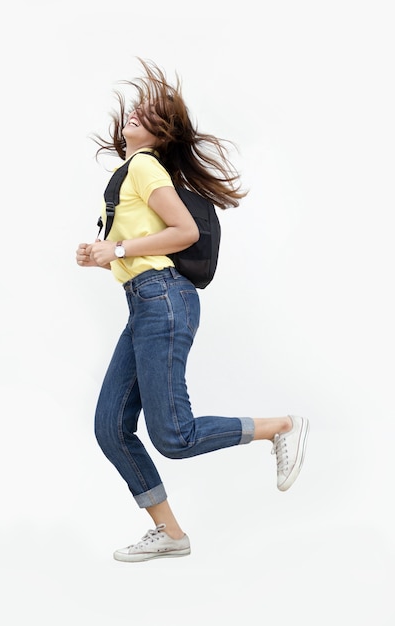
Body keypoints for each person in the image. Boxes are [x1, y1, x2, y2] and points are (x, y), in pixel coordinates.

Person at [76, 59, 309, 562]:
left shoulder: (144, 165)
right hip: (145, 302)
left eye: (149, 113)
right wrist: (103, 255)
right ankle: (171, 536)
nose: (136, 113)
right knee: (110, 428)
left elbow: (185, 233)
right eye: (135, 109)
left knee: (174, 436)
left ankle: (282, 426)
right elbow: (143, 248)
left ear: (160, 134)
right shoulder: (129, 172)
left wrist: (115, 251)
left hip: (164, 300)